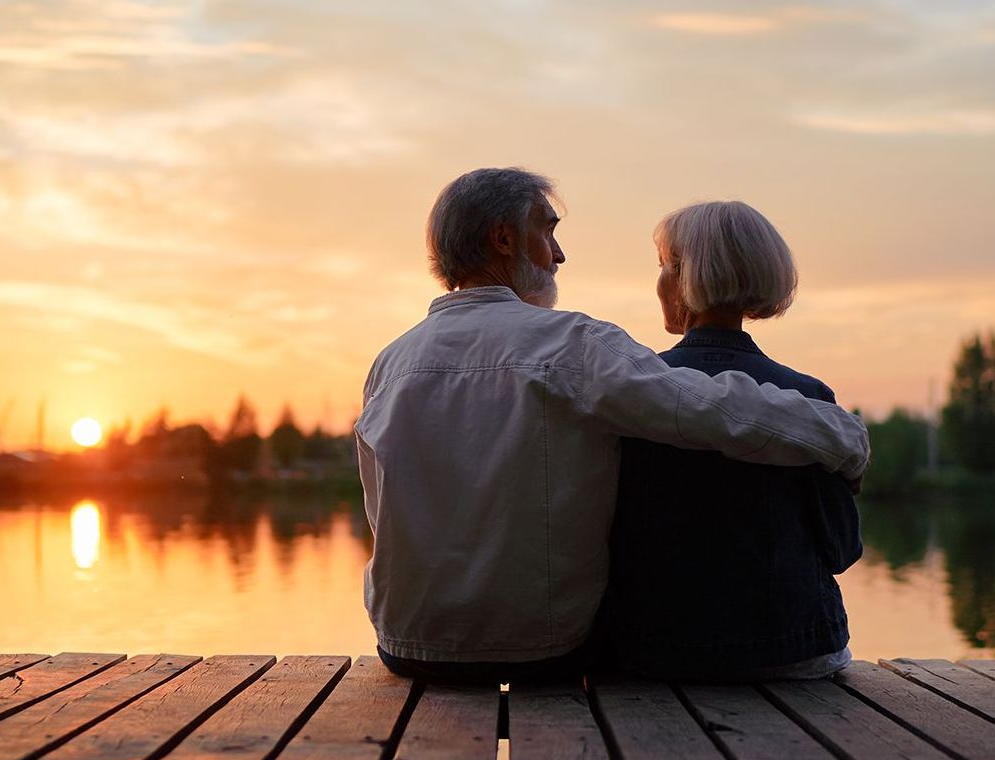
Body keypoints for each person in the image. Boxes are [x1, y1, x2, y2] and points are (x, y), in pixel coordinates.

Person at [355, 168, 869, 684]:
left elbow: (382, 517)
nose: (559, 255)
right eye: (548, 230)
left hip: (406, 648)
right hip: (541, 650)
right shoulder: (570, 344)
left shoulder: (389, 364)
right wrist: (840, 437)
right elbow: (710, 408)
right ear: (504, 238)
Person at [605, 201, 860, 680]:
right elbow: (842, 549)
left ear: (683, 278)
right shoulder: (807, 397)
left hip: (652, 653)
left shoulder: (630, 391)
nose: (659, 280)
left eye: (663, 266)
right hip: (793, 652)